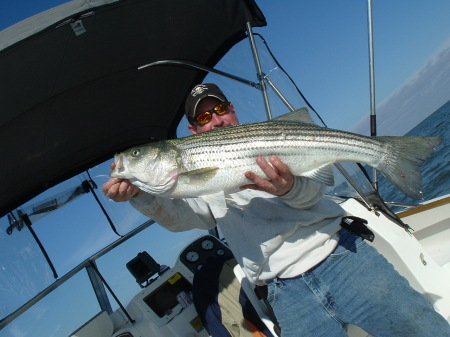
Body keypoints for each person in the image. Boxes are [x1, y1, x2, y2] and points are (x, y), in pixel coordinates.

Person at [103, 83, 450, 337]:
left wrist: (290, 187)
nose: (217, 120)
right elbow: (183, 219)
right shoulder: (192, 182)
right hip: (282, 292)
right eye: (205, 117)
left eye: (221, 109)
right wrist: (142, 197)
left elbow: (316, 189)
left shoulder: (267, 136)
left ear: (232, 110)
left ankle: (386, 153)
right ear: (193, 131)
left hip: (341, 257)